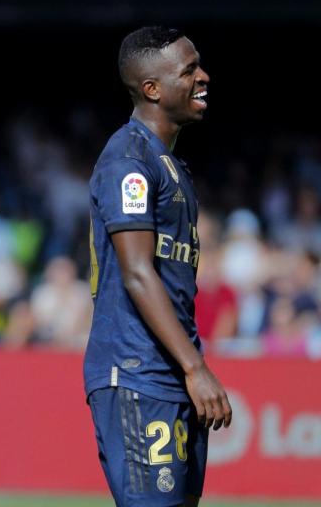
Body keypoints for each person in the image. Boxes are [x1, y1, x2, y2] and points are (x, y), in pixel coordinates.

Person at [85, 26, 232, 507]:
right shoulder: (129, 161)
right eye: (189, 70)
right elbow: (137, 272)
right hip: (137, 372)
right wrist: (196, 368)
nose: (203, 77)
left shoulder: (168, 164)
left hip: (169, 375)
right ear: (152, 88)